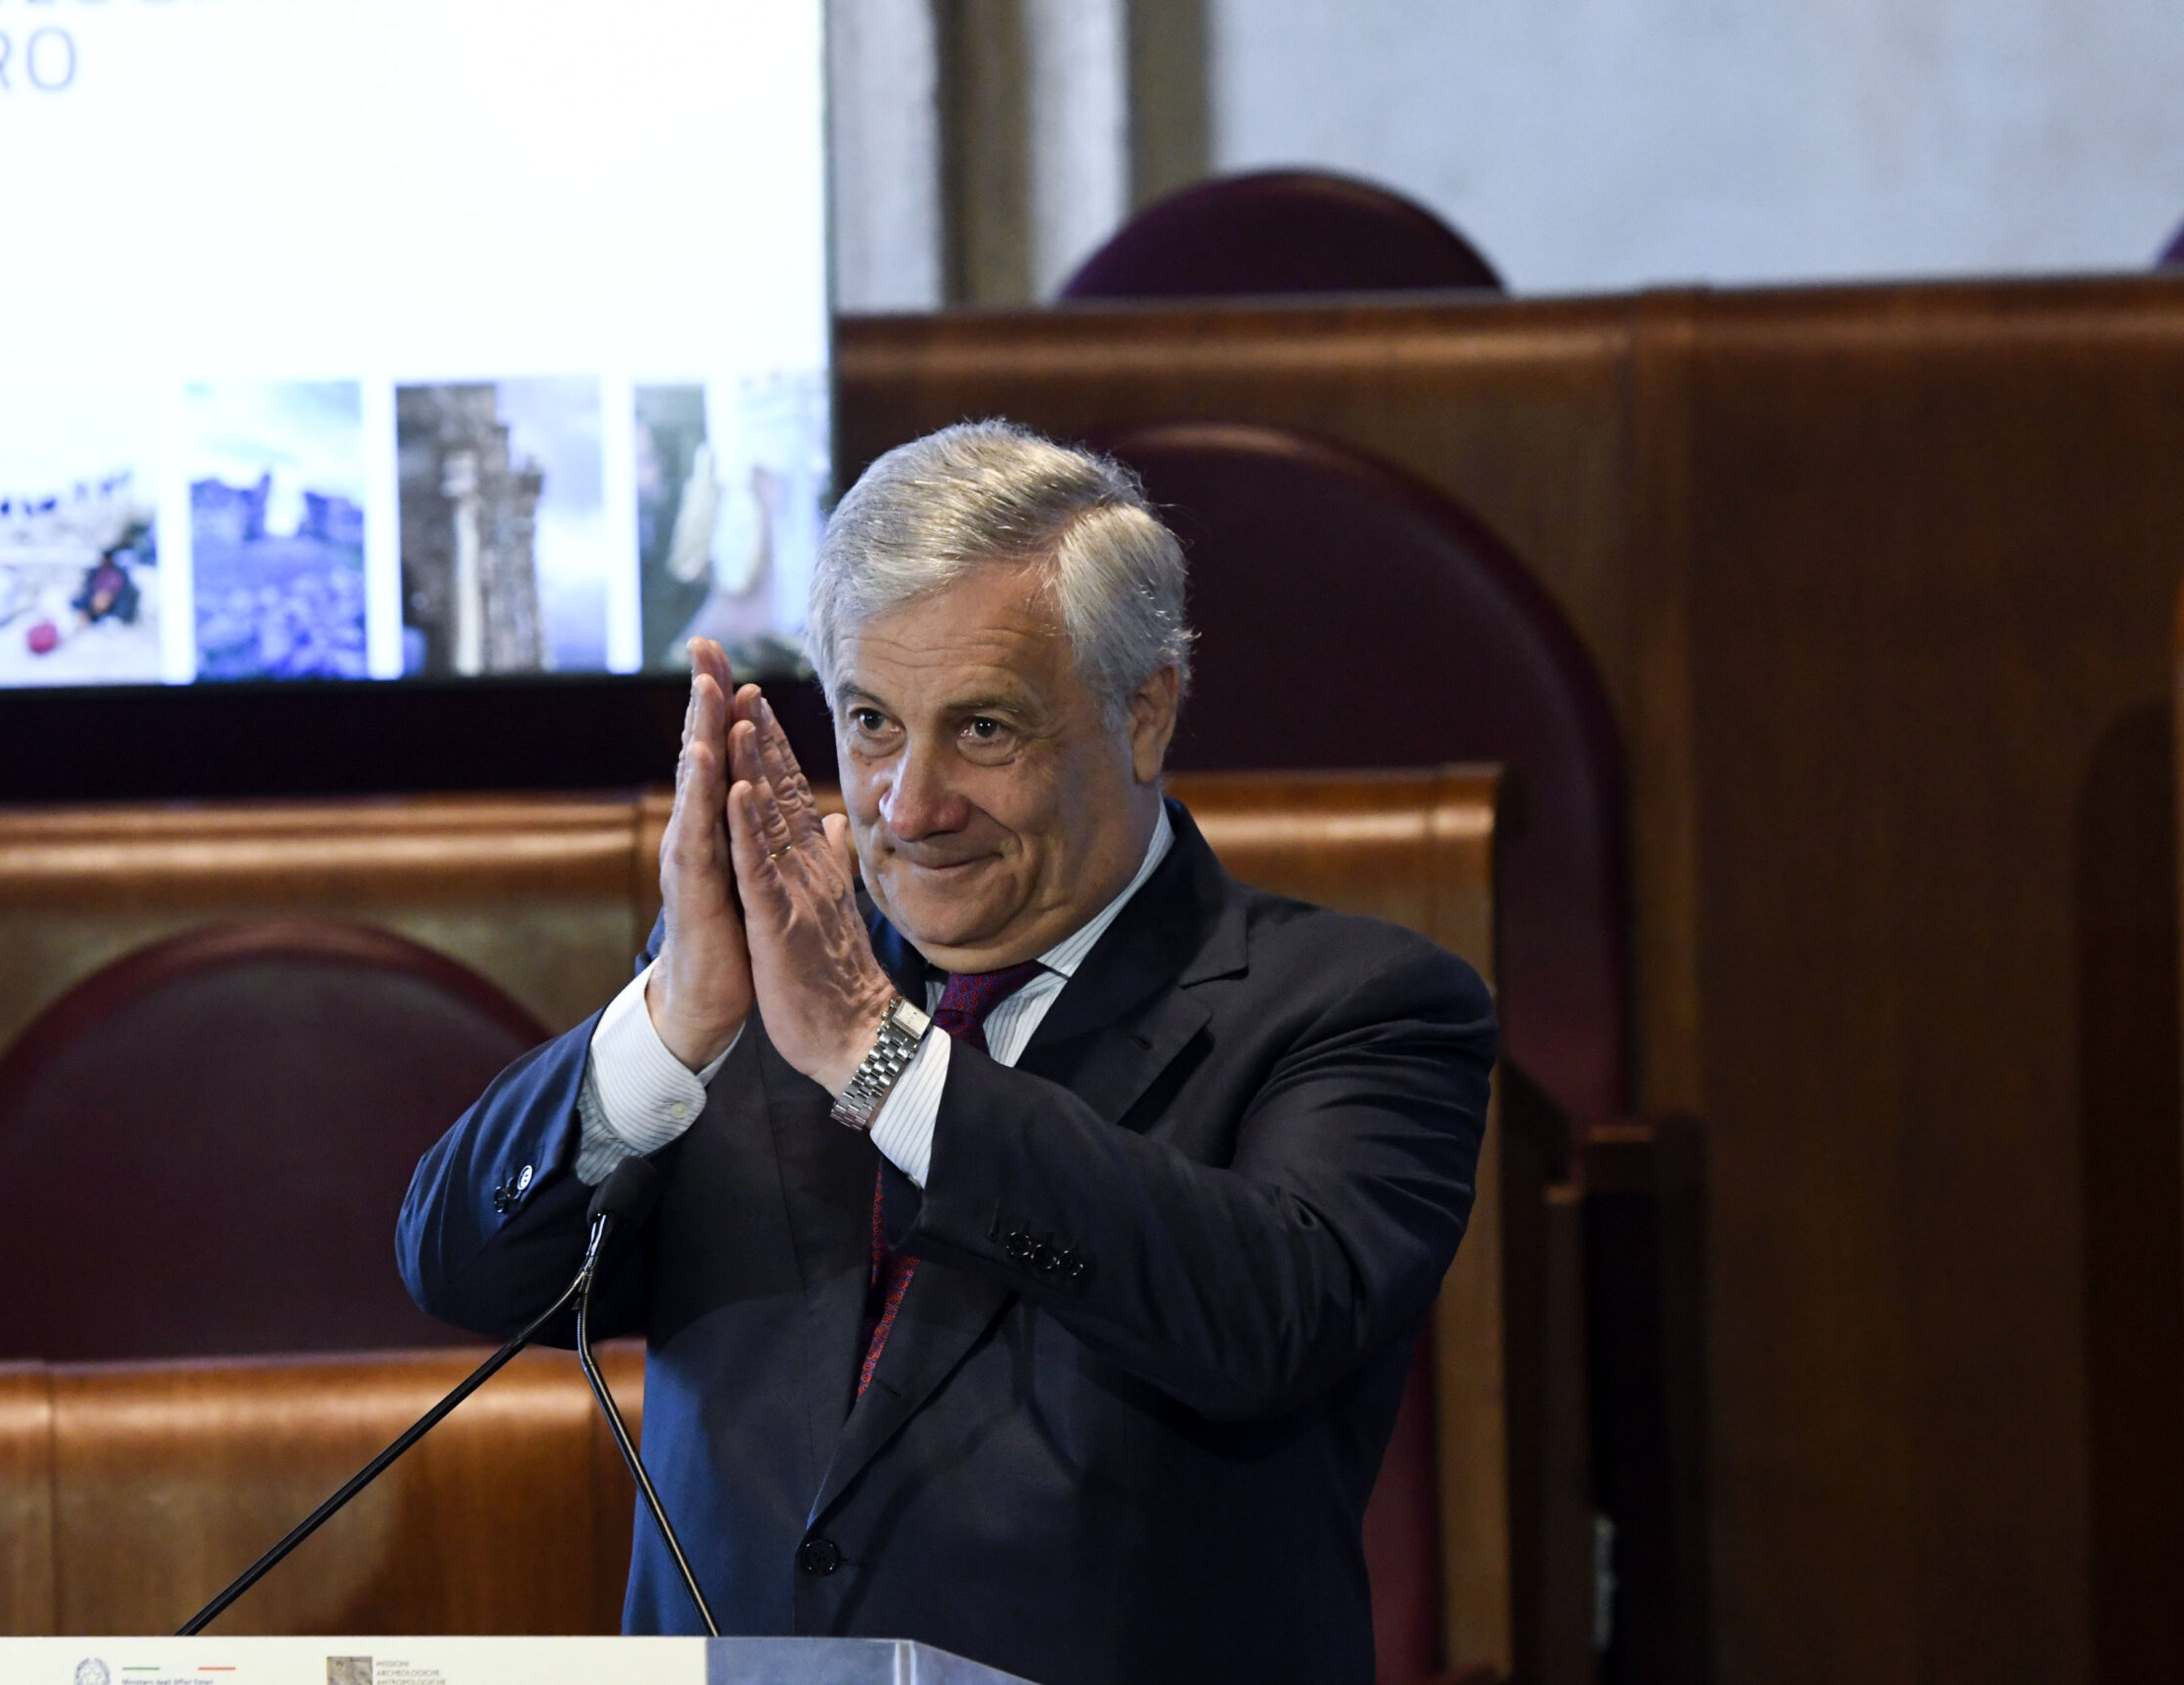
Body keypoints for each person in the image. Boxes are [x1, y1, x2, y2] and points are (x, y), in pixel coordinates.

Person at [398, 421, 1494, 1685]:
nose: (909, 806)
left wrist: (881, 1056)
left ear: (1144, 715)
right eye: (870, 723)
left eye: (982, 731)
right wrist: (673, 1014)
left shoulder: (1360, 1007)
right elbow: (465, 1270)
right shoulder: (755, 977)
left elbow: (1263, 1323)